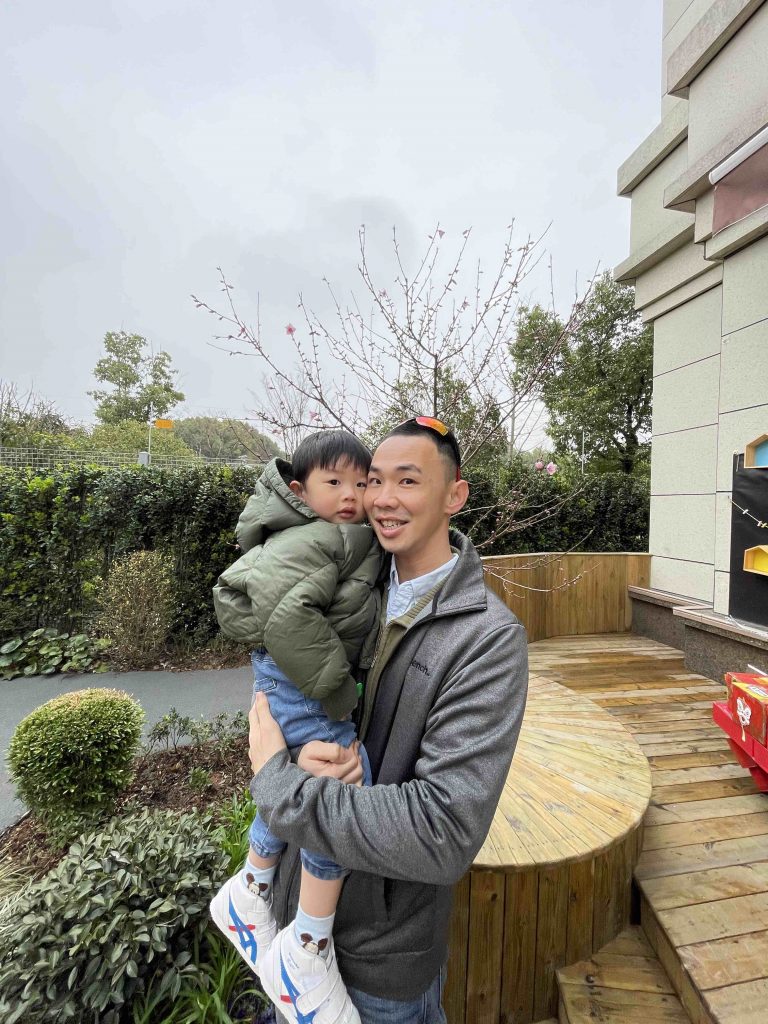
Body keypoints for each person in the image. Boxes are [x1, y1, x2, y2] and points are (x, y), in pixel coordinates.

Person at [248, 417, 529, 1024]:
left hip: (381, 961)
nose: (381, 498)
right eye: (374, 480)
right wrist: (295, 759)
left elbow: (443, 831)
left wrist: (280, 785)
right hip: (295, 917)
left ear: (455, 495)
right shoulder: (353, 589)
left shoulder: (487, 639)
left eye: (407, 480)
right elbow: (280, 707)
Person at [209, 431, 383, 1024]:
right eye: (334, 483)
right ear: (298, 489)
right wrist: (340, 691)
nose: (351, 494)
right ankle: (307, 945)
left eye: (361, 483)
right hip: (302, 680)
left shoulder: (328, 534)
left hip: (292, 678)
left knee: (299, 780)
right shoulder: (319, 537)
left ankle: (253, 886)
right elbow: (287, 620)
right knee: (334, 793)